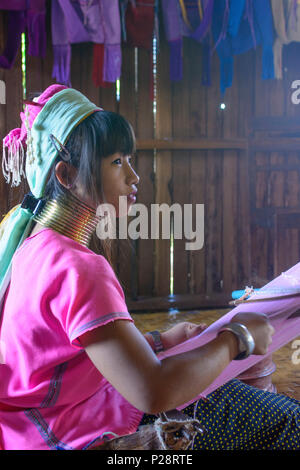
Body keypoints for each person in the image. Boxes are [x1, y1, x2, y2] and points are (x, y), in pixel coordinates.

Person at [0, 85, 299, 451]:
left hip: (32, 427)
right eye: (116, 162)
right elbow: (152, 392)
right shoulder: (78, 268)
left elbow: (73, 354)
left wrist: (162, 340)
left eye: (128, 159)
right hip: (76, 431)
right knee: (290, 421)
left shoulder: (31, 243)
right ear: (66, 175)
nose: (133, 176)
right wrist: (237, 338)